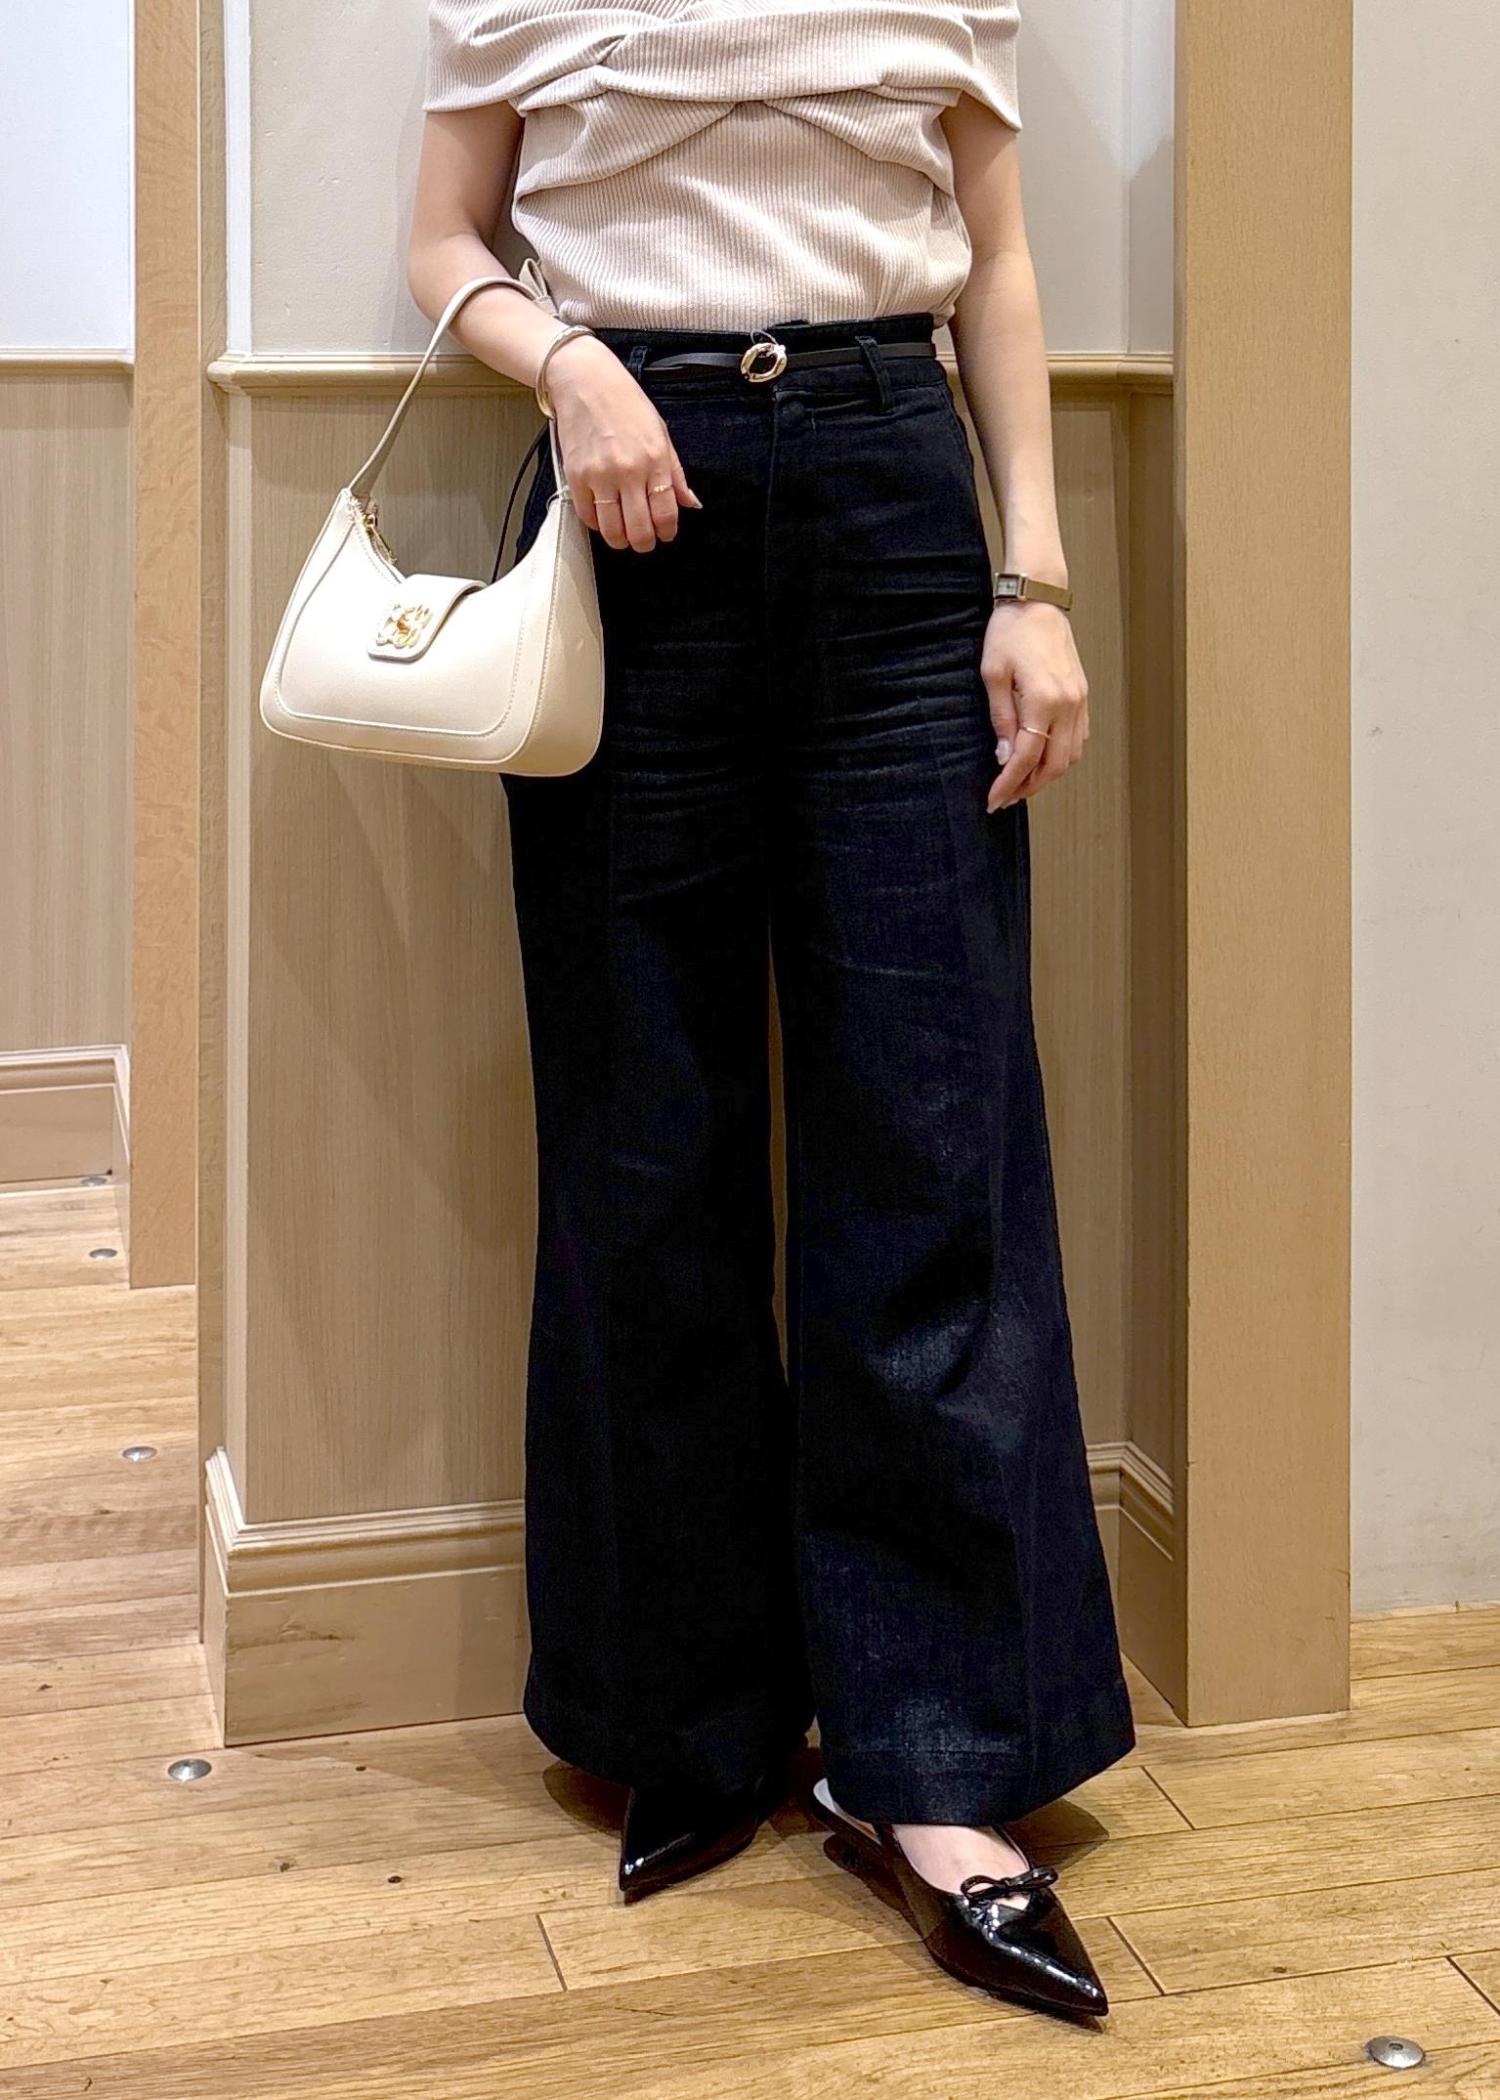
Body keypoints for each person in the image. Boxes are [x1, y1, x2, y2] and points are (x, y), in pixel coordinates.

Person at [407, 0, 1136, 2021]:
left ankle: (941, 1767)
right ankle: (688, 1712)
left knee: (931, 1126)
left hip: (897, 509)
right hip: (623, 507)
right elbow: (443, 239)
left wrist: (1037, 582)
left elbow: (994, 256)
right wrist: (569, 367)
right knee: (646, 1133)